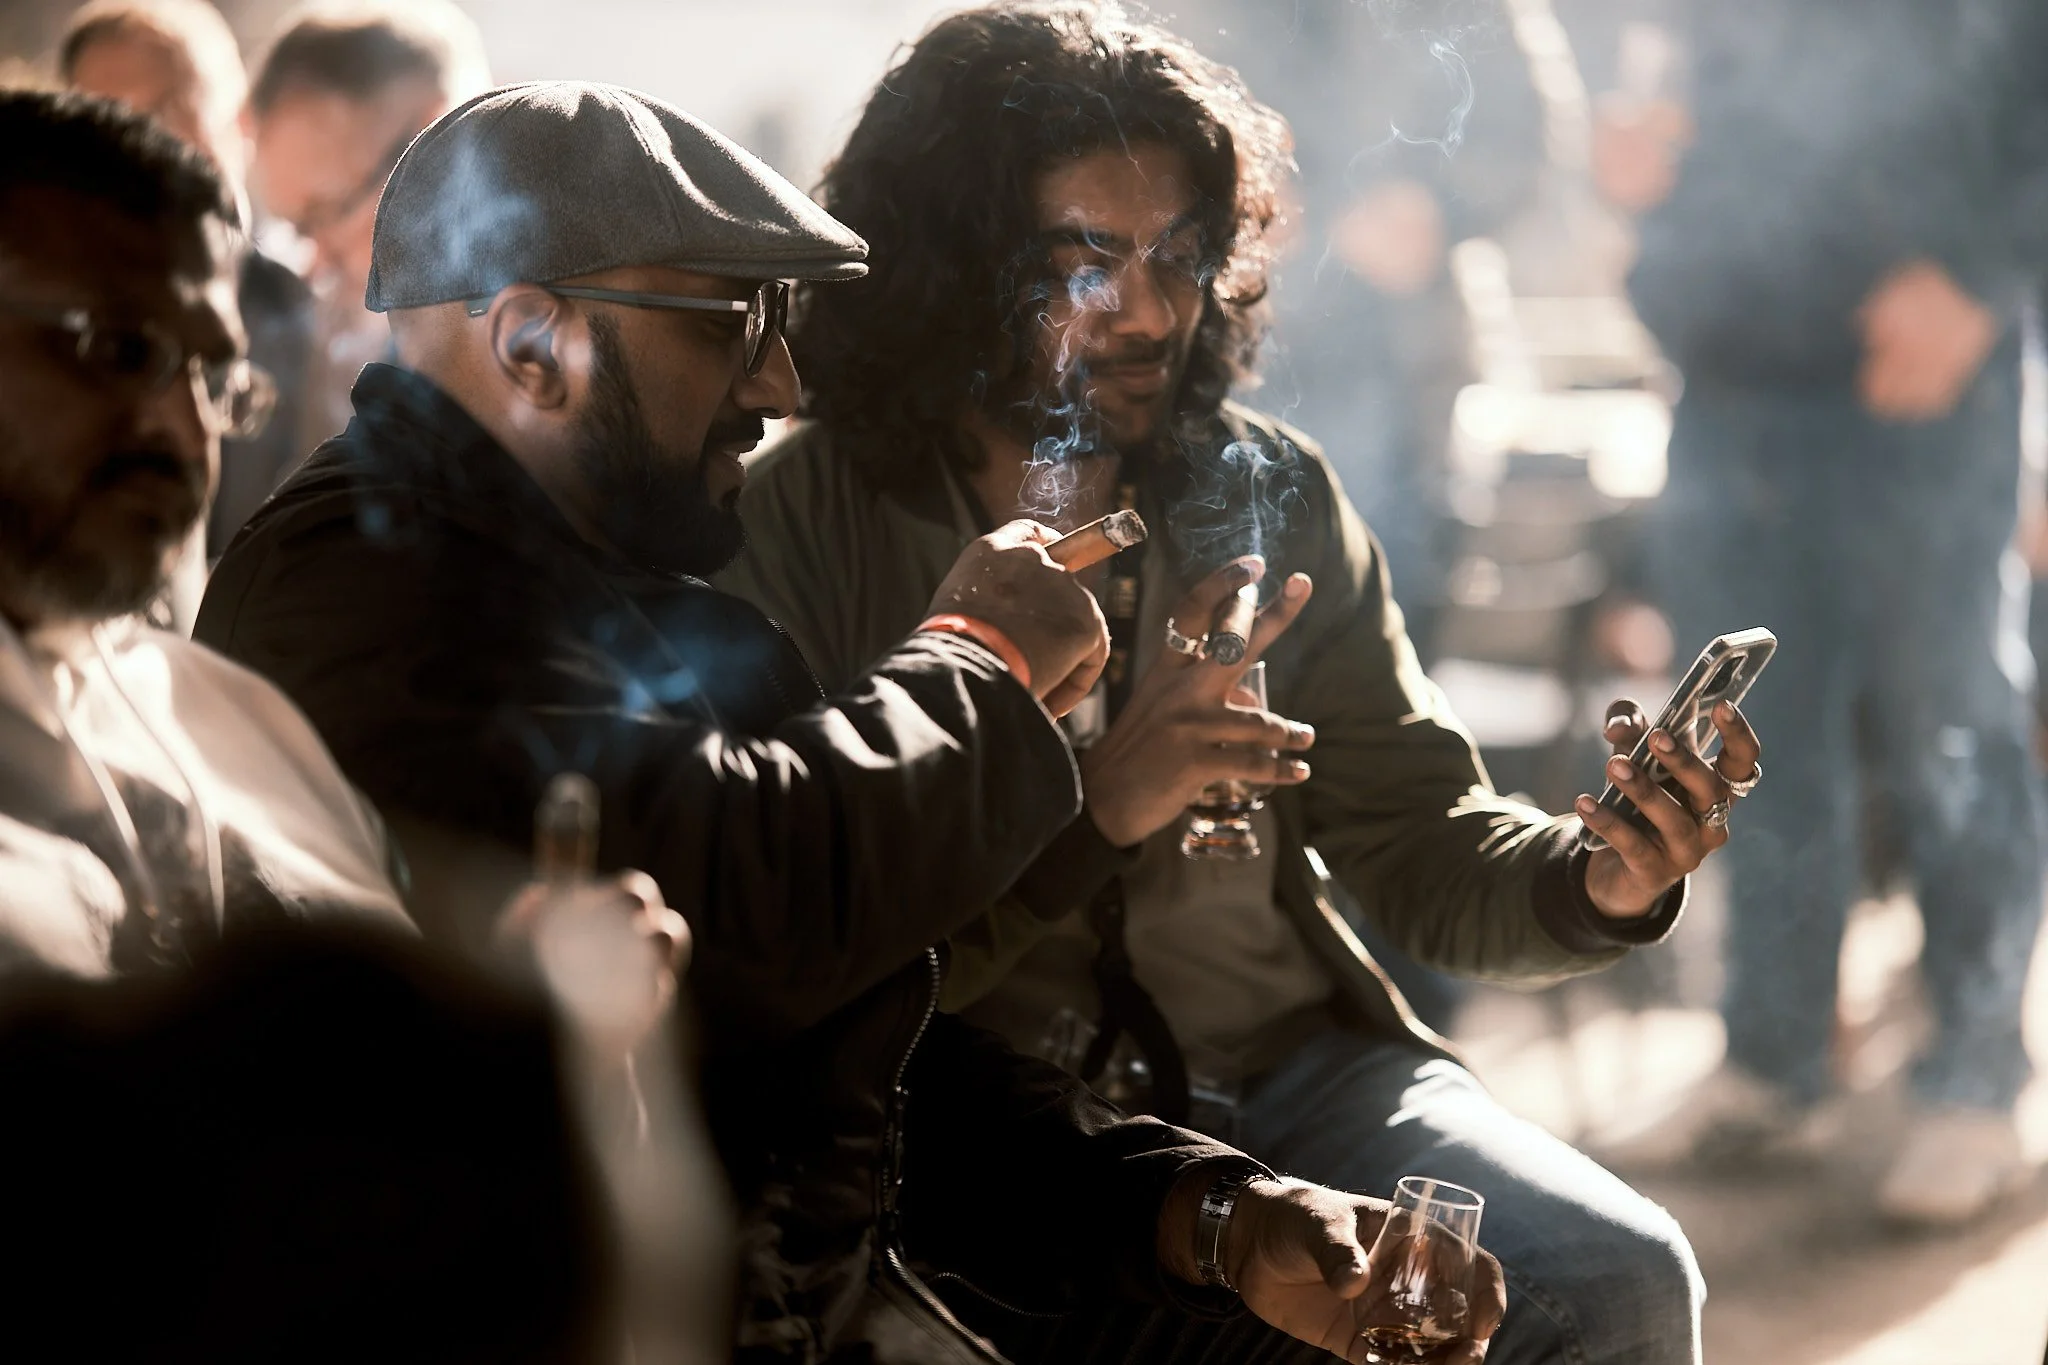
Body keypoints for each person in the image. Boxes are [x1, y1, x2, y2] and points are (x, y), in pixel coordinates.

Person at [196, 79, 1514, 1364]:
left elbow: (858, 1062)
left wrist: (1215, 1217)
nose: (779, 380)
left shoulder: (608, 582)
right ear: (533, 342)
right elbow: (746, 916)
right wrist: (976, 657)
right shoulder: (359, 584)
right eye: (734, 320)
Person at [717, 7, 1764, 1363]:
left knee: (1620, 1279)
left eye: (1183, 257)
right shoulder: (802, 522)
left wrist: (1600, 877)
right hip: (993, 1131)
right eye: (1085, 263)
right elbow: (809, 961)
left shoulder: (1266, 490)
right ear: (952, 268)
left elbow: (1422, 839)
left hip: (1290, 1070)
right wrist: (1098, 804)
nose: (1150, 310)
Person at [0, 87, 702, 1360]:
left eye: (210, 372)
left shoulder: (228, 718)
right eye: (110, 348)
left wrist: (531, 1000)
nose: (173, 426)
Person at [1623, 0, 2048, 1225]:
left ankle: (1976, 1082)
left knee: (1946, 730)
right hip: (1727, 383)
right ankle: (1772, 1063)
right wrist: (1649, 197)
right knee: (1748, 744)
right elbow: (1692, 105)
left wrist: (1979, 274)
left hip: (1923, 380)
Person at [59, 0, 315, 573]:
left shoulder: (324, 314)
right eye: (109, 121)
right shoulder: (55, 335)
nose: (143, 146)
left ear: (240, 116)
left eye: (171, 107)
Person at [247, 0, 489, 453]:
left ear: (436, 141)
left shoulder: (532, 345)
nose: (315, 265)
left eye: (326, 213)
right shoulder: (312, 345)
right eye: (298, 229)